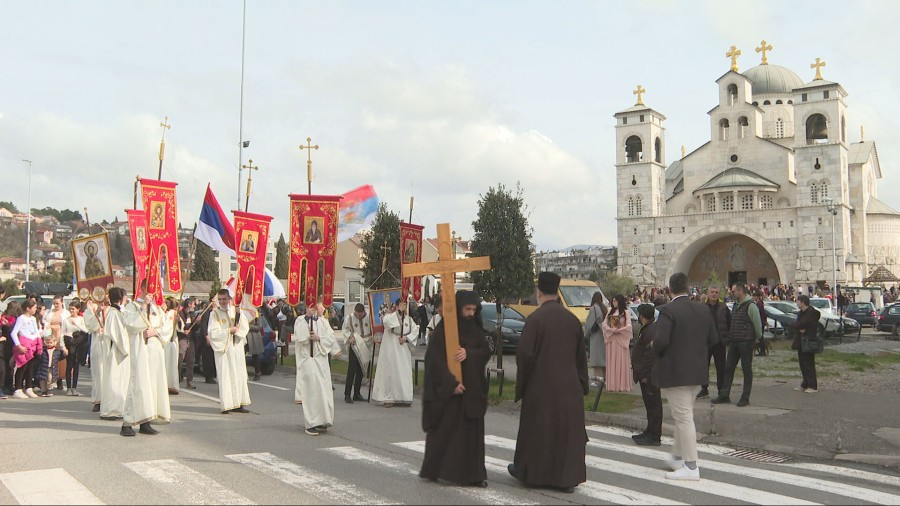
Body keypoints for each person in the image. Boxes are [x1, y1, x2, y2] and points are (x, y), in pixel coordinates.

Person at [508, 272, 589, 493]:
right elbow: (581, 356)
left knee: (539, 432)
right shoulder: (572, 319)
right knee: (565, 434)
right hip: (569, 387)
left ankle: (533, 474)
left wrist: (522, 385)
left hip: (540, 386)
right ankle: (566, 479)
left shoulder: (535, 320)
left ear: (539, 293)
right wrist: (583, 384)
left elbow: (524, 355)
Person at [420, 290, 491, 487]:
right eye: (467, 309)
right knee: (446, 433)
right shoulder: (444, 329)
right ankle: (439, 470)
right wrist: (451, 384)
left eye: (474, 310)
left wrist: (469, 353)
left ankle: (474, 475)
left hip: (472, 392)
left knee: (471, 437)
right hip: (450, 392)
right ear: (459, 308)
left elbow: (485, 351)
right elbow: (435, 360)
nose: (470, 313)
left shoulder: (475, 328)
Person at [653, 272, 719, 481]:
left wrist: (654, 346)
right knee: (684, 415)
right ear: (688, 287)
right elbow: (714, 339)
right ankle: (676, 456)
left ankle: (691, 466)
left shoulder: (668, 311)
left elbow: (661, 341)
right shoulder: (702, 309)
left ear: (670, 289)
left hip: (675, 372)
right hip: (697, 371)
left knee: (683, 419)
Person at [122, 283, 171, 436]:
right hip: (140, 351)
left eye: (153, 290)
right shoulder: (132, 307)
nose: (151, 293)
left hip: (155, 351)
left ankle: (146, 421)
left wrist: (155, 332)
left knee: (152, 387)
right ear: (142, 289)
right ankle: (127, 423)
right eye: (148, 290)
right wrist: (144, 306)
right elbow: (130, 325)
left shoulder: (156, 308)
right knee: (138, 386)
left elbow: (167, 326)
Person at [712, 283, 762, 407]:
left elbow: (757, 324)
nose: (732, 293)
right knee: (728, 368)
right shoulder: (735, 305)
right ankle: (724, 394)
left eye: (733, 291)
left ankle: (745, 397)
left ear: (740, 291)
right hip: (734, 341)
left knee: (746, 369)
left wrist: (758, 338)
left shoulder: (751, 306)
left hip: (746, 341)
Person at [206, 289, 251, 415]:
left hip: (236, 348)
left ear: (229, 299)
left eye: (224, 299)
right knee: (226, 376)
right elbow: (213, 332)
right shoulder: (214, 314)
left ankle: (239, 403)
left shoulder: (236, 311)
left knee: (238, 375)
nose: (222, 302)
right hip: (223, 350)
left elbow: (244, 327)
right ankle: (227, 404)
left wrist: (238, 328)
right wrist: (228, 330)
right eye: (220, 299)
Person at [294, 305, 337, 435]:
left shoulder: (323, 321)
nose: (322, 308)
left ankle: (323, 420)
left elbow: (331, 338)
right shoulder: (301, 320)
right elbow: (299, 336)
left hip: (321, 361)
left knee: (324, 392)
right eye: (320, 306)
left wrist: (319, 338)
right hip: (309, 360)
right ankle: (311, 423)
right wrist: (307, 318)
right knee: (312, 392)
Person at [372, 298, 418, 407]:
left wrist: (406, 338)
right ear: (396, 306)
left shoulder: (409, 320)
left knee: (404, 373)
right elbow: (386, 322)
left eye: (405, 305)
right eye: (401, 305)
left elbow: (415, 331)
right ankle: (389, 398)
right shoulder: (390, 317)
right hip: (391, 350)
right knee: (391, 373)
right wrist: (397, 312)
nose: (403, 307)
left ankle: (404, 397)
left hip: (403, 351)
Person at [631, 303, 662, 446]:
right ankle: (650, 431)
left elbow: (650, 356)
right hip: (646, 374)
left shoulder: (650, 331)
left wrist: (644, 374)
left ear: (642, 316)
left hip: (649, 376)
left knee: (653, 405)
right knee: (650, 405)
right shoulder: (648, 329)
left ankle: (654, 436)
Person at [101, 288, 130, 421]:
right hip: (117, 351)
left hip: (118, 350)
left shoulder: (117, 312)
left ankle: (119, 407)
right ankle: (112, 409)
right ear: (120, 298)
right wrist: (127, 348)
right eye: (125, 296)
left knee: (120, 380)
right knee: (115, 379)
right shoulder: (114, 314)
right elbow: (119, 335)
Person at [697, 287, 731, 399]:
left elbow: (729, 323)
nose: (714, 294)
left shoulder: (723, 307)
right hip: (705, 342)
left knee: (721, 367)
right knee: (703, 366)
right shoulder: (702, 308)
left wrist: (727, 338)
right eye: (712, 292)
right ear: (707, 294)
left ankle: (721, 390)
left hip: (719, 342)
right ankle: (704, 388)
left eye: (716, 292)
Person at [10, 299, 43, 399]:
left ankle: (29, 387)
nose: (35, 309)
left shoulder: (33, 318)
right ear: (28, 308)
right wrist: (19, 345)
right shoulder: (21, 318)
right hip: (24, 345)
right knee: (22, 367)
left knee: (30, 368)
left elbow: (36, 331)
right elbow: (14, 333)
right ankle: (18, 389)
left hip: (32, 346)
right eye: (34, 308)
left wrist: (39, 343)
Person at [342, 303, 372, 403]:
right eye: (356, 314)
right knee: (352, 370)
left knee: (361, 370)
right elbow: (345, 329)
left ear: (363, 312)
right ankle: (347, 394)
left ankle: (356, 393)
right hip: (354, 346)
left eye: (360, 314)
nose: (358, 316)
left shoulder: (369, 317)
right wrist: (350, 337)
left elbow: (373, 329)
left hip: (366, 344)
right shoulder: (349, 318)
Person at [601, 294, 632, 392]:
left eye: (615, 301)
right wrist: (610, 330)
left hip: (620, 339)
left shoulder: (626, 312)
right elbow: (604, 324)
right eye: (613, 301)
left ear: (620, 301)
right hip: (611, 340)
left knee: (621, 360)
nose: (614, 303)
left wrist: (619, 330)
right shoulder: (610, 312)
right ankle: (612, 384)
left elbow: (629, 326)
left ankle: (622, 384)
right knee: (612, 360)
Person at [792, 295, 821, 393]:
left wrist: (802, 327)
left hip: (808, 340)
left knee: (808, 363)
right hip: (800, 340)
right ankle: (805, 383)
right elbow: (797, 324)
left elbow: (803, 324)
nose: (797, 303)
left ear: (803, 302)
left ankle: (812, 385)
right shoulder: (801, 313)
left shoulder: (811, 313)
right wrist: (798, 327)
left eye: (798, 301)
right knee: (802, 363)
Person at [84, 299, 106, 412]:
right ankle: (99, 400)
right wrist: (97, 312)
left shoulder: (113, 307)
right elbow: (89, 326)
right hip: (98, 341)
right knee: (99, 372)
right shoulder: (90, 308)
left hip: (111, 341)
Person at [62, 301, 89, 396]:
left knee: (76, 366)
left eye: (73, 309)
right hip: (69, 342)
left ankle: (74, 387)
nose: (71, 311)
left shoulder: (81, 319)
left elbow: (86, 330)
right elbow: (63, 333)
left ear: (78, 309)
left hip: (78, 344)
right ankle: (69, 387)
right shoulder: (65, 320)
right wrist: (63, 347)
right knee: (69, 365)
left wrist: (76, 324)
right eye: (70, 309)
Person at [45, 296, 69, 391]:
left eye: (57, 303)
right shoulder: (50, 313)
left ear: (62, 302)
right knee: (52, 359)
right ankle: (51, 381)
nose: (55, 305)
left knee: (62, 360)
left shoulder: (66, 314)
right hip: (51, 336)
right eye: (54, 303)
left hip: (61, 336)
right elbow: (47, 324)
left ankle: (60, 381)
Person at [583, 292, 608, 381]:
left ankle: (598, 379)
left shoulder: (593, 308)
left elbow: (589, 324)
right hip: (603, 334)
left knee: (597, 359)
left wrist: (586, 335)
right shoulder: (604, 308)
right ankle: (605, 378)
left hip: (595, 335)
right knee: (603, 358)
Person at [176, 298, 197, 390]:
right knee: (180, 360)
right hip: (182, 339)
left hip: (190, 339)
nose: (194, 306)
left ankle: (189, 381)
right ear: (189, 304)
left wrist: (197, 322)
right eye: (193, 304)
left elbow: (194, 328)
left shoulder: (191, 314)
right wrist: (183, 331)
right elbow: (178, 327)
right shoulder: (180, 314)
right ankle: (176, 379)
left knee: (191, 361)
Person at [163, 298, 180, 395]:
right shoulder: (165, 313)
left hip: (172, 340)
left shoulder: (174, 313)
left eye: (168, 302)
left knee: (172, 363)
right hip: (165, 341)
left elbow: (180, 327)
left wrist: (178, 321)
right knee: (165, 363)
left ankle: (172, 385)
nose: (166, 303)